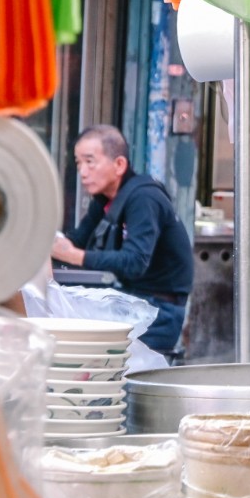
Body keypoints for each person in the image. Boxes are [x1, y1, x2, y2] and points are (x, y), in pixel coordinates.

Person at [51, 125, 194, 354]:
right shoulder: (105, 199)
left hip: (157, 312)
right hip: (131, 302)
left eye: (90, 161)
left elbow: (135, 262)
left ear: (119, 164)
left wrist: (74, 256)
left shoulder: (144, 198)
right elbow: (78, 241)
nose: (83, 172)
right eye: (78, 163)